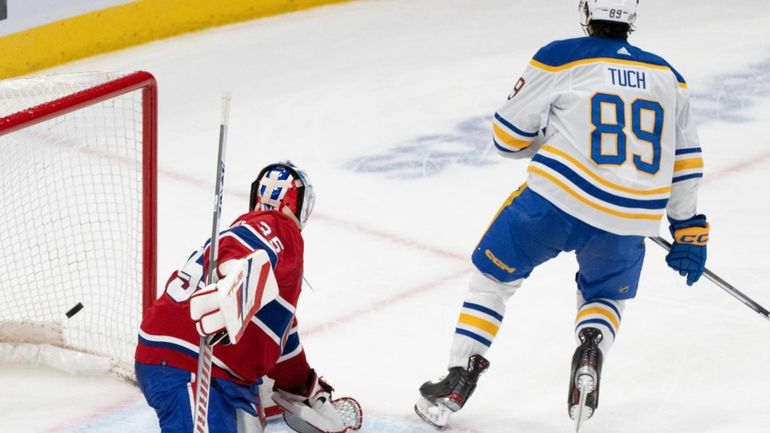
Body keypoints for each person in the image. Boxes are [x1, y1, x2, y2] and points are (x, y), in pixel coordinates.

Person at [415, 0, 708, 429]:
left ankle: (460, 378)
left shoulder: (561, 56)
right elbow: (686, 161)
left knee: (493, 280)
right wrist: (687, 228)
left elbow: (507, 137)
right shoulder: (669, 76)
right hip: (630, 219)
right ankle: (591, 347)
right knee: (605, 296)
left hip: (556, 202)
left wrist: (551, 136)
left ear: (587, 10)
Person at [135, 161, 361, 433]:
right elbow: (244, 244)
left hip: (189, 362)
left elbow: (282, 343)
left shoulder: (267, 289)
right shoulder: (279, 227)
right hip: (191, 362)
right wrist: (234, 274)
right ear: (298, 205)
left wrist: (304, 386)